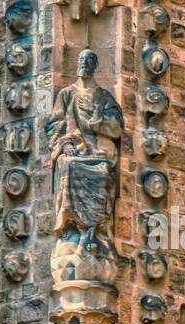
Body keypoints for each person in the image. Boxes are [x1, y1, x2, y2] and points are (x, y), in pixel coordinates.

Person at [47, 49, 125, 238]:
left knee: (104, 170)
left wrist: (96, 115)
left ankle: (97, 225)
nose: (84, 63)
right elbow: (54, 125)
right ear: (77, 63)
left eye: (89, 59)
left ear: (95, 65)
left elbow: (117, 127)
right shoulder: (66, 94)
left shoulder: (104, 97)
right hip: (74, 149)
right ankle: (69, 221)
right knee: (67, 164)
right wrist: (64, 144)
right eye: (81, 59)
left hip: (98, 150)